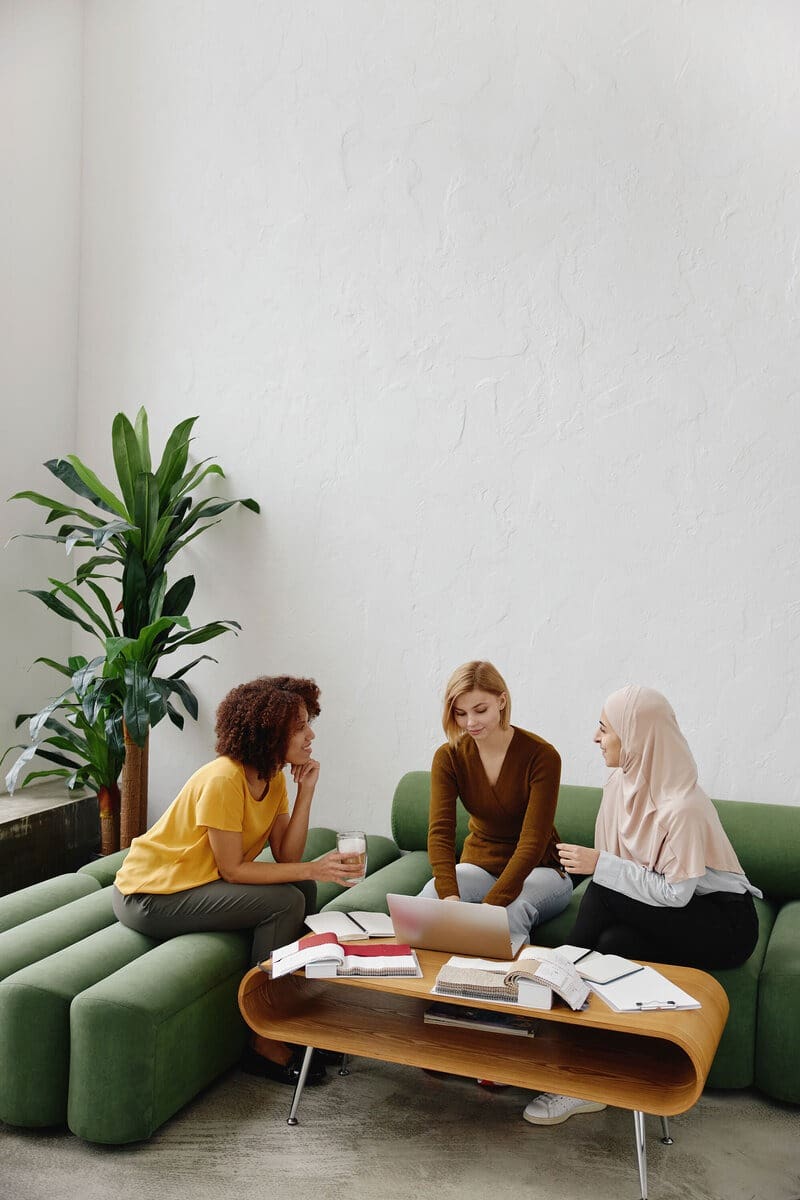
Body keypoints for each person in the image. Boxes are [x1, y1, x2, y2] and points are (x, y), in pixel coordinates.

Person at [523, 684, 761, 1127]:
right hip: (668, 915)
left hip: (723, 923)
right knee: (615, 940)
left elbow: (676, 894)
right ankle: (588, 1081)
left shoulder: (683, 806)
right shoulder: (621, 783)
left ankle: (551, 981)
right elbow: (621, 868)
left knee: (605, 886)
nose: (596, 738)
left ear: (637, 736)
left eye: (604, 728)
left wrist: (601, 867)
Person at [112, 675, 356, 1086]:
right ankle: (261, 1039)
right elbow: (234, 871)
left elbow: (287, 856)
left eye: (307, 722)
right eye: (299, 727)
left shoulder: (273, 776)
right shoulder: (224, 779)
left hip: (193, 885)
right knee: (286, 901)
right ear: (268, 732)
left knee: (303, 889)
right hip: (149, 895)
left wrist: (307, 793)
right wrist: (316, 866)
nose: (310, 734)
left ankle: (287, 1011)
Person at [419, 661, 573, 947]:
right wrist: (450, 897)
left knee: (509, 914)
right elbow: (440, 831)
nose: (470, 723)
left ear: (502, 701)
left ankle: (502, 988)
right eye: (460, 713)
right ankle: (424, 986)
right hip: (479, 865)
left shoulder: (542, 756)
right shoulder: (449, 757)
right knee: (430, 899)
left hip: (540, 870)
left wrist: (492, 905)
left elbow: (532, 841)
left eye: (480, 710)